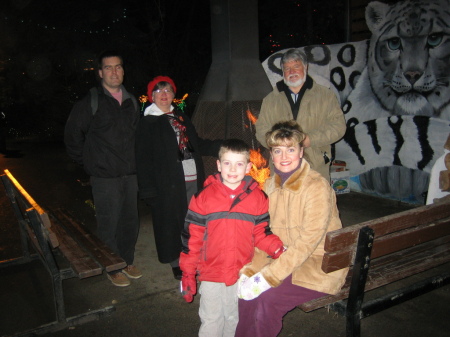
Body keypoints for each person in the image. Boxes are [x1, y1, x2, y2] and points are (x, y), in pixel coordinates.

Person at [235, 120, 348, 337]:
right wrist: (250, 270)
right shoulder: (269, 185)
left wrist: (268, 277)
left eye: (291, 149)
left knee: (268, 299)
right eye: (278, 150)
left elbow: (307, 244)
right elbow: (262, 233)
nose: (284, 157)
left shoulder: (316, 187)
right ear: (271, 154)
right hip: (286, 258)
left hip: (319, 264)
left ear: (301, 151)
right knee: (246, 294)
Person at [179, 139, 286, 337]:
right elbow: (191, 240)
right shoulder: (203, 197)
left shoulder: (258, 198)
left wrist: (278, 248)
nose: (233, 169)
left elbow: (261, 233)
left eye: (239, 164)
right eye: (227, 163)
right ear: (218, 165)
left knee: (235, 319)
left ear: (248, 167)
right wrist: (187, 273)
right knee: (211, 319)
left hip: (241, 272)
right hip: (211, 273)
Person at [64, 50, 141, 287]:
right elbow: (72, 135)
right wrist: (88, 164)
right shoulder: (91, 102)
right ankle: (112, 266)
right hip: (104, 177)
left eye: (118, 67)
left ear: (123, 71)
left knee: (130, 222)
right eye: (108, 67)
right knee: (109, 223)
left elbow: (136, 137)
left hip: (130, 175)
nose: (114, 72)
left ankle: (126, 260)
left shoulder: (132, 102)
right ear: (100, 73)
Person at [135, 76, 221, 280]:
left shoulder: (181, 117)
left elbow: (196, 144)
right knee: (171, 223)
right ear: (151, 96)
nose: (164, 95)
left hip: (191, 178)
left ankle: (194, 256)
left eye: (168, 91)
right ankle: (176, 261)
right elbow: (143, 158)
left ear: (174, 94)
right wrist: (148, 190)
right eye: (159, 91)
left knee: (192, 221)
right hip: (167, 183)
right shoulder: (148, 122)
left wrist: (221, 146)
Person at [255, 48, 346, 181]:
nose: (292, 72)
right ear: (283, 72)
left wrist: (309, 139)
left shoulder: (326, 96)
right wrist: (280, 145)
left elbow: (338, 127)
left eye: (296, 66)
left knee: (316, 201)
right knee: (283, 202)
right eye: (287, 68)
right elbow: (261, 130)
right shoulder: (270, 99)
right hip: (282, 169)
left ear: (305, 67)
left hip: (315, 167)